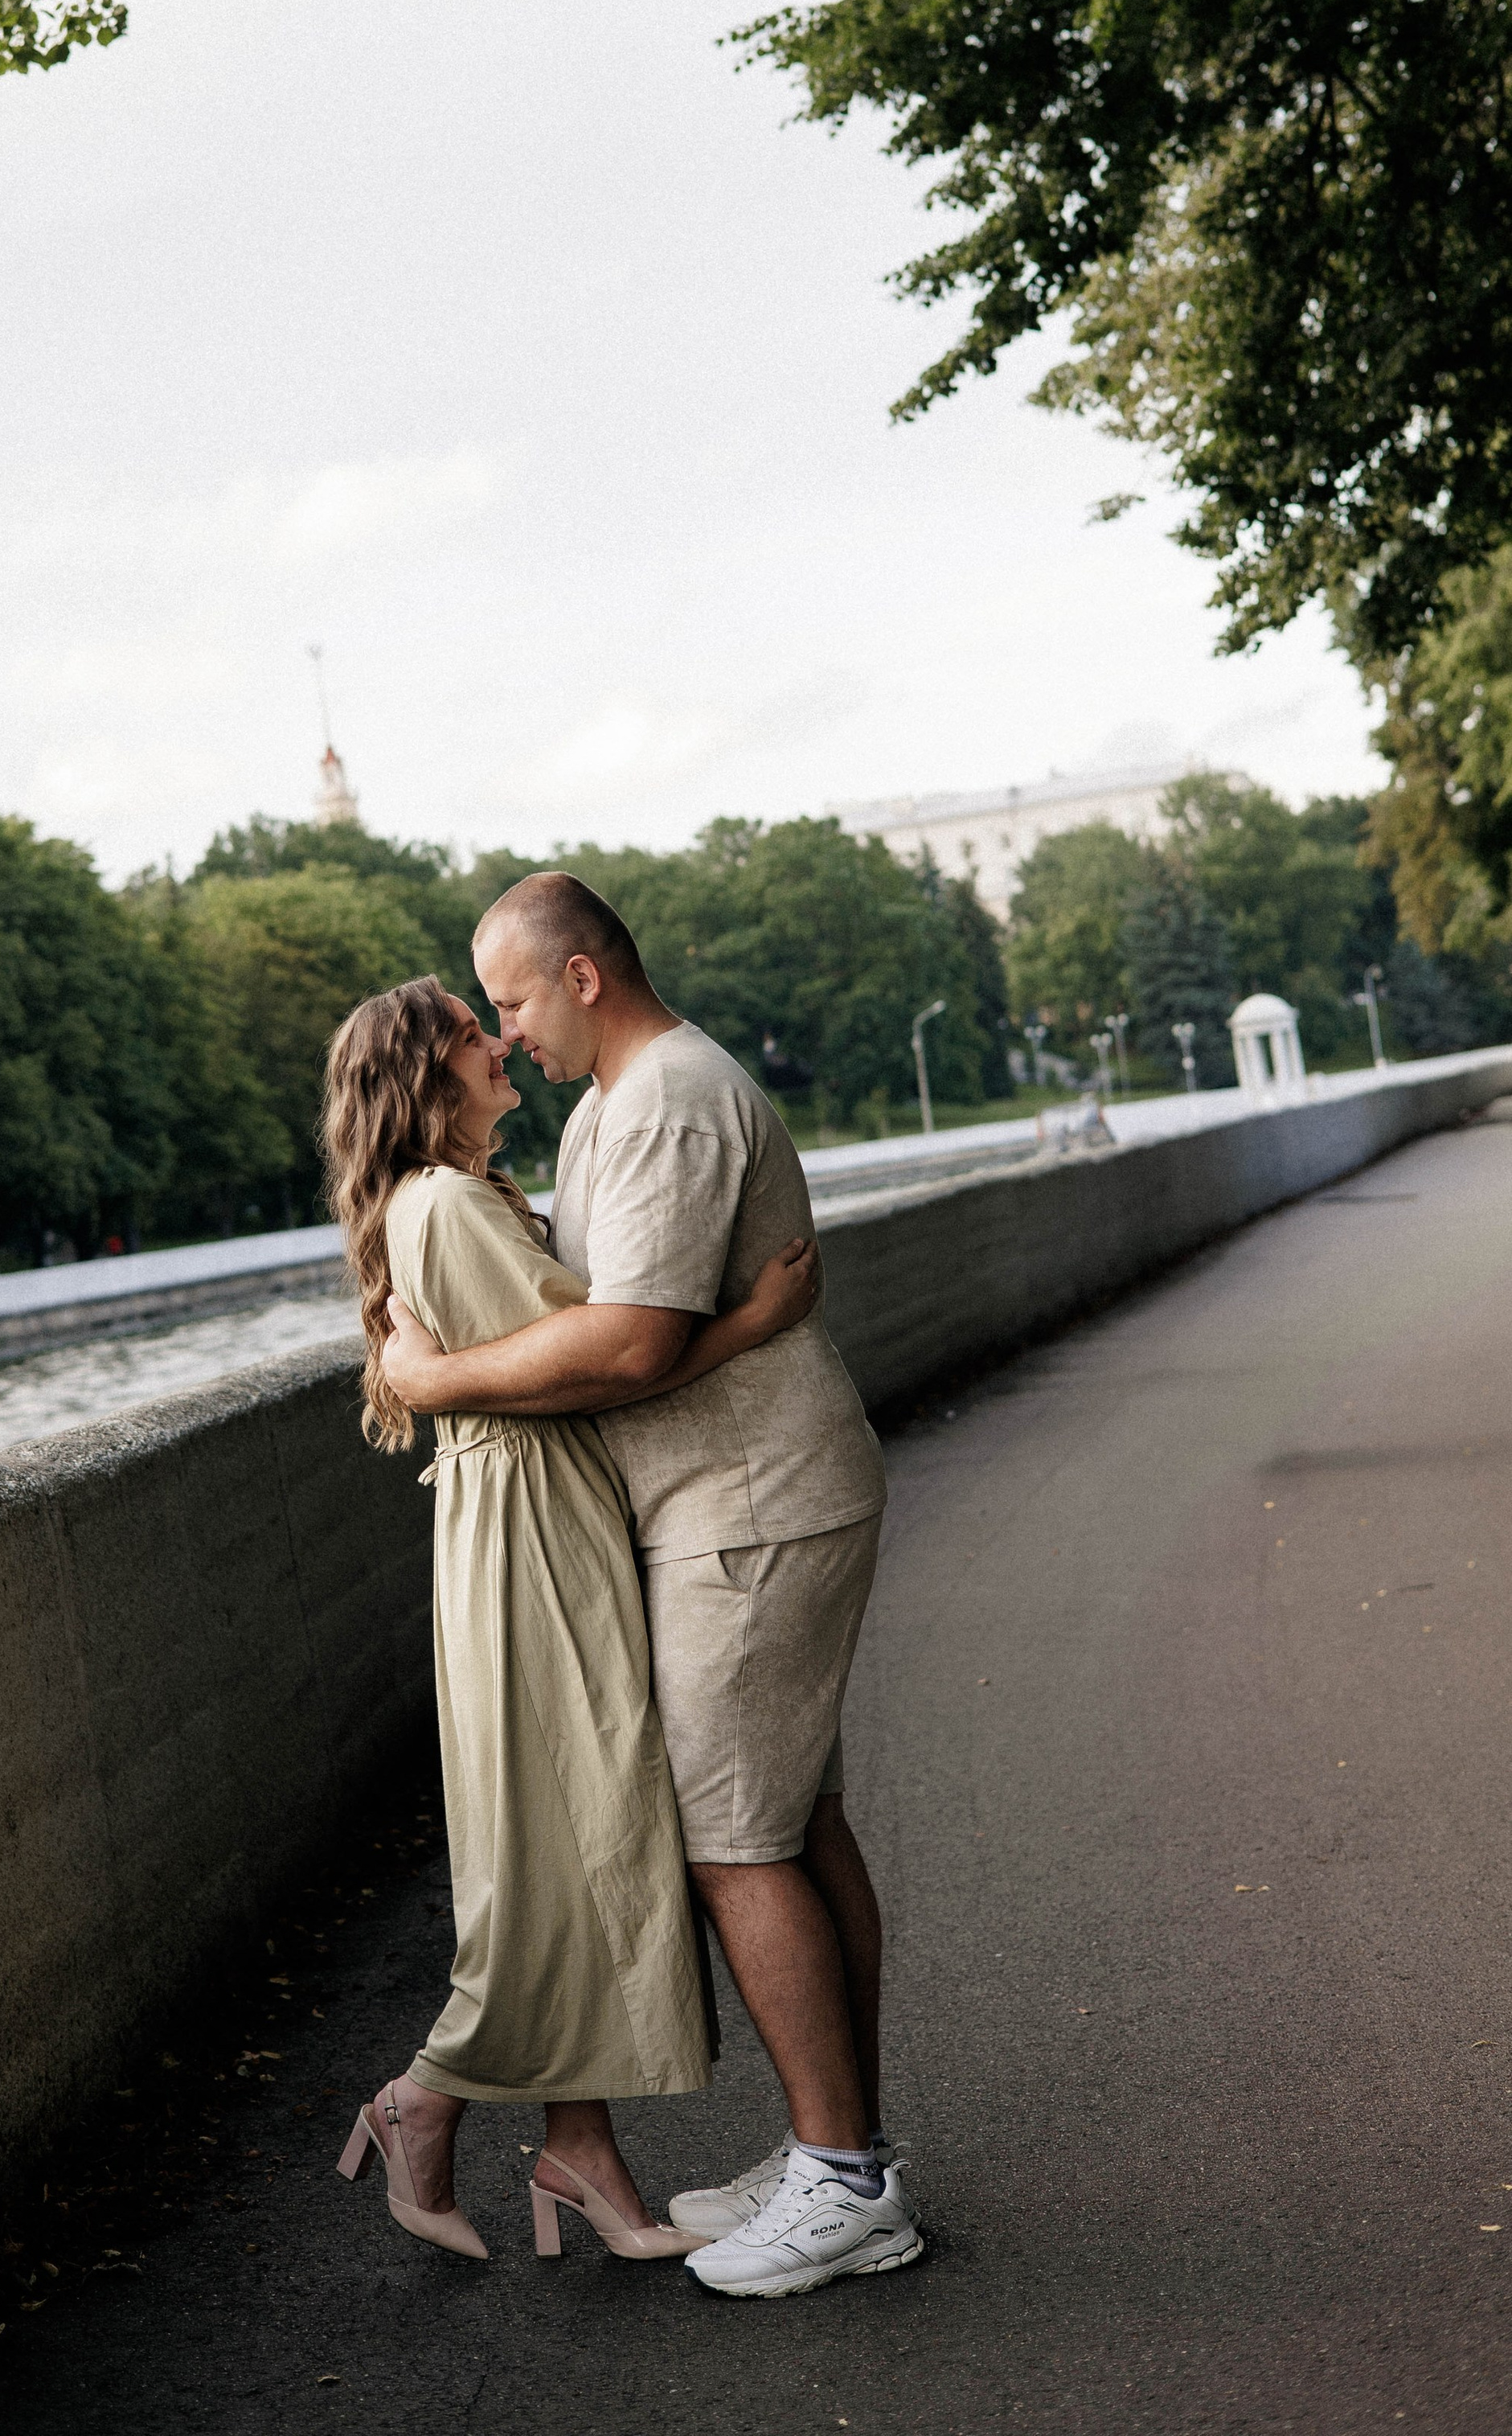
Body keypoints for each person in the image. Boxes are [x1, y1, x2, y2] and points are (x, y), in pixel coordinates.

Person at [383, 875, 920, 2301]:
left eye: (507, 1001)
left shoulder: (672, 1098)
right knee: (794, 1827)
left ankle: (847, 2180)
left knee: (738, 1843)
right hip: (732, 1504)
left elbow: (624, 1349)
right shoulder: (623, 1103)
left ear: (580, 977)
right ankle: (841, 2151)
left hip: (745, 1509)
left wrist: (430, 1379)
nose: (502, 1035)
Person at [322, 976, 822, 2266]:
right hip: (532, 1518)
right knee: (573, 1817)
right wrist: (754, 1322)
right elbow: (600, 1362)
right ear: (428, 1076)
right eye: (473, 1033)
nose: (501, 1046)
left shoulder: (462, 1196)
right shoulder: (444, 1202)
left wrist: (431, 1376)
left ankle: (579, 2147)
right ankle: (423, 2099)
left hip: (536, 1509)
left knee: (571, 1821)